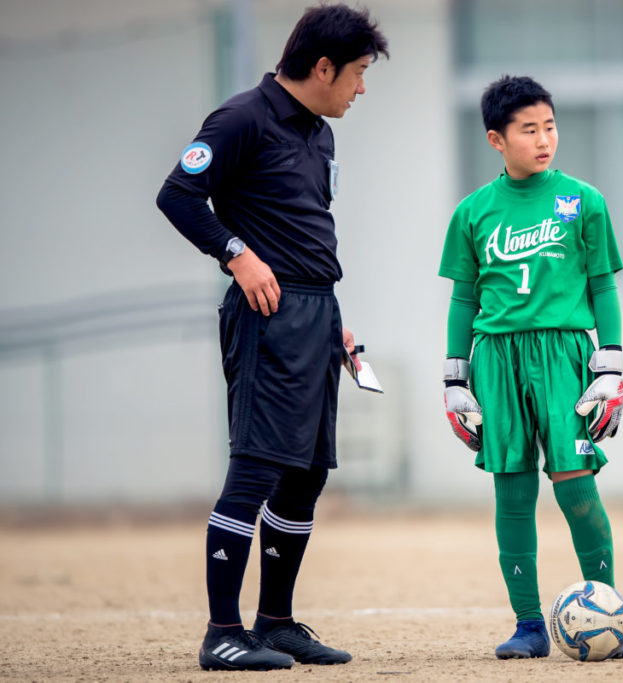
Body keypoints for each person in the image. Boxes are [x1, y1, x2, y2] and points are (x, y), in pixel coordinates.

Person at [155, 4, 387, 671]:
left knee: (306, 474)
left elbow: (310, 232)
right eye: (358, 74)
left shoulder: (321, 133)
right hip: (266, 314)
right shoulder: (241, 121)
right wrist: (235, 252)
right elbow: (176, 196)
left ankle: (276, 622)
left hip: (316, 314)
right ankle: (222, 632)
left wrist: (334, 313)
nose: (361, 89)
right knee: (256, 465)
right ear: (322, 67)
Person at [438, 75, 623, 660]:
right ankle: (528, 625)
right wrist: (454, 378)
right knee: (512, 493)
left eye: (549, 126)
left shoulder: (583, 200)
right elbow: (465, 299)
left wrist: (611, 365)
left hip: (567, 354)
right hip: (496, 359)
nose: (544, 139)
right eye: (529, 129)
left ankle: (608, 613)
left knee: (576, 489)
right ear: (497, 139)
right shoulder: (473, 213)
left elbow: (601, 286)